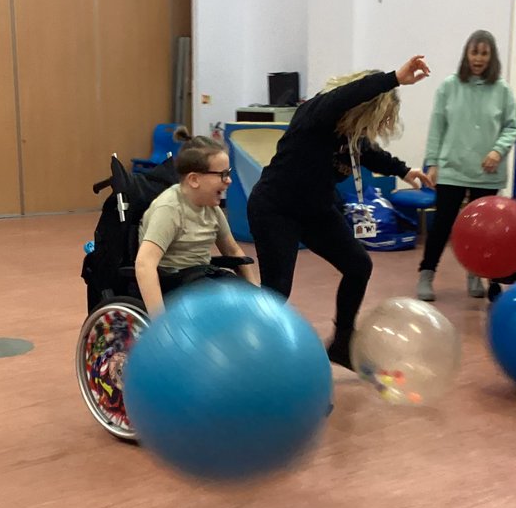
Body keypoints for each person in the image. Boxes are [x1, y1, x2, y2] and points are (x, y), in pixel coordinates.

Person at [246, 56, 433, 369]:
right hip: (276, 209)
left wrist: (404, 170)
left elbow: (370, 154)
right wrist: (394, 78)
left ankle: (342, 343)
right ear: (363, 106)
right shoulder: (317, 112)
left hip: (316, 210)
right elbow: (346, 95)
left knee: (359, 265)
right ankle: (253, 353)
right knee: (277, 289)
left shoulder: (350, 135)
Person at [417, 30, 516, 302]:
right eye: (474, 52)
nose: (478, 59)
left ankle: (475, 272)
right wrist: (433, 163)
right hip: (452, 169)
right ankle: (427, 273)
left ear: (491, 57)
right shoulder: (448, 87)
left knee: (482, 231)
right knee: (442, 224)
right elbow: (437, 127)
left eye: (484, 53)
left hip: (487, 173)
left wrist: (498, 152)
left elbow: (512, 128)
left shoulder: (502, 90)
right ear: (466, 54)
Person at [134, 129, 258, 315]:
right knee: (227, 303)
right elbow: (145, 264)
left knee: (243, 297)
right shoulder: (170, 209)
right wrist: (160, 322)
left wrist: (256, 294)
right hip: (174, 282)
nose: (229, 180)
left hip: (201, 277)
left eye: (229, 173)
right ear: (194, 179)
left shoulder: (211, 208)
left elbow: (233, 251)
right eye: (222, 174)